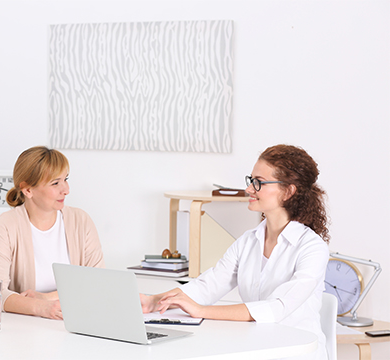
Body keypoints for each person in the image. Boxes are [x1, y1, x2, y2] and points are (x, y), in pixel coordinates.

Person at [141, 144, 330, 360]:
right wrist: (154, 301)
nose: (249, 189)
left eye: (258, 182)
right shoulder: (248, 241)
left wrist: (201, 311)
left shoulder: (312, 248)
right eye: (250, 181)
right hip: (257, 350)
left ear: (288, 191)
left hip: (296, 355)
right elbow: (207, 286)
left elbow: (276, 307)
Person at [0, 146, 104, 320]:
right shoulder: (6, 225)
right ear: (28, 190)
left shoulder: (81, 221)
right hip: (25, 329)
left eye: (65, 179)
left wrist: (47, 298)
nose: (66, 189)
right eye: (55, 183)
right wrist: (40, 307)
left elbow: (99, 283)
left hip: (77, 321)